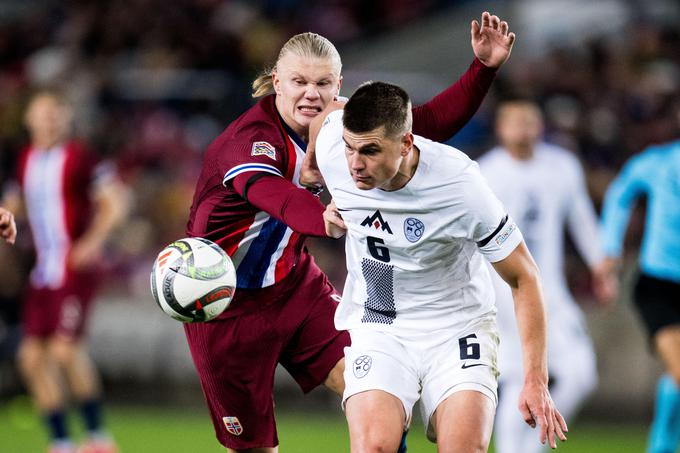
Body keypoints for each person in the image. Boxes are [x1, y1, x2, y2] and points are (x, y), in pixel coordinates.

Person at [184, 12, 515, 452]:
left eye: (324, 83)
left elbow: (422, 128)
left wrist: (483, 69)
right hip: (227, 305)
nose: (311, 94)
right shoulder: (248, 141)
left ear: (338, 84)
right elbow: (269, 192)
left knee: (376, 398)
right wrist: (319, 216)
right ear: (276, 82)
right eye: (299, 81)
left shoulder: (342, 128)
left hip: (297, 290)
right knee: (254, 448)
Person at [312, 81, 566, 452]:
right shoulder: (336, 151)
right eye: (350, 148)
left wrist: (535, 379)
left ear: (406, 144)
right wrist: (308, 170)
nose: (354, 164)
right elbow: (329, 114)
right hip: (381, 324)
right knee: (373, 447)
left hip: (456, 330)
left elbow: (523, 276)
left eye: (369, 151)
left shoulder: (460, 186)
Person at [477, 100, 616, 453]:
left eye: (529, 122)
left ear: (540, 127)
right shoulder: (485, 172)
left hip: (550, 290)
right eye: (515, 122)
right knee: (514, 378)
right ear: (501, 128)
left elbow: (581, 218)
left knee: (581, 374)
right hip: (502, 293)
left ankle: (531, 447)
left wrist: (600, 264)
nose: (523, 129)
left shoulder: (562, 167)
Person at [3, 90, 128, 453]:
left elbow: (116, 202)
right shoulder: (24, 159)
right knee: (30, 358)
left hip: (75, 268)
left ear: (67, 118)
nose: (50, 120)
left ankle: (99, 439)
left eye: (57, 113)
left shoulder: (82, 158)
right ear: (29, 119)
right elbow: (14, 203)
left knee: (64, 350)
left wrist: (93, 241)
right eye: (43, 113)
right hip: (44, 272)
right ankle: (61, 442)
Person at [599, 113, 680, 453]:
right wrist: (609, 247)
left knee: (677, 374)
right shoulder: (658, 163)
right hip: (659, 284)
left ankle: (660, 445)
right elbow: (620, 193)